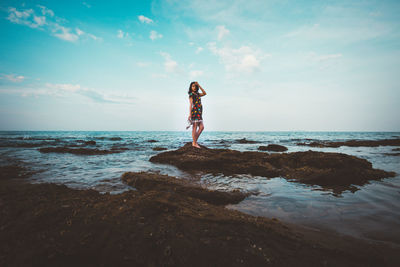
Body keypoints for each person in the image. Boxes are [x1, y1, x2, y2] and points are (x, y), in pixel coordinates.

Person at [187, 81, 206, 148]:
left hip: (199, 112)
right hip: (194, 111)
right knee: (194, 127)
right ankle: (194, 143)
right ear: (191, 87)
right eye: (193, 86)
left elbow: (204, 93)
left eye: (195, 86)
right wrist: (190, 114)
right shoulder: (191, 95)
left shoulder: (197, 94)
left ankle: (194, 142)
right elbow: (191, 104)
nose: (194, 87)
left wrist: (199, 85)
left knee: (201, 127)